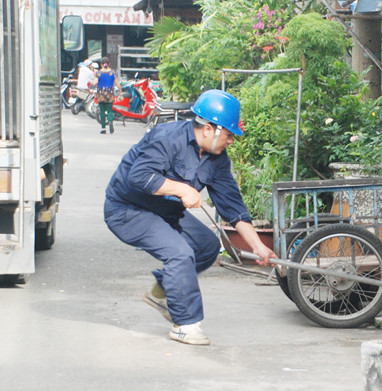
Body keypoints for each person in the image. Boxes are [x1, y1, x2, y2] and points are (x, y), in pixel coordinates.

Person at [103, 89, 276, 346]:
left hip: (164, 211)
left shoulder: (217, 159)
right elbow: (138, 176)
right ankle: (185, 324)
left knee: (206, 247)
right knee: (180, 253)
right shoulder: (166, 138)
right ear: (209, 129)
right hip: (128, 209)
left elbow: (232, 206)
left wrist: (258, 246)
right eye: (229, 135)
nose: (231, 141)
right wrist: (182, 189)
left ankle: (162, 292)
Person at [92, 56, 121, 134]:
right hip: (110, 93)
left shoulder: (98, 73)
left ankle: (103, 128)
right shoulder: (113, 73)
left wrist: (95, 83)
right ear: (109, 64)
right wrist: (120, 92)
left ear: (101, 64)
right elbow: (117, 83)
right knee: (109, 110)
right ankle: (110, 122)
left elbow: (94, 82)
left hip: (101, 93)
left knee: (102, 110)